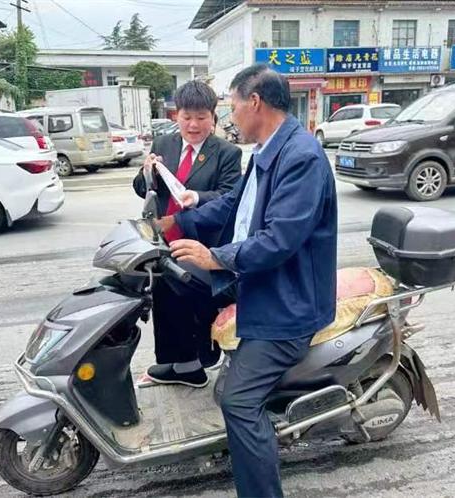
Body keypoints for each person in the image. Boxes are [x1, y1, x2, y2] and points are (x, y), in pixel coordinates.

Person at [156, 64, 337, 498]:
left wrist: (215, 256)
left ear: (254, 102)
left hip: (286, 301)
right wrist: (174, 225)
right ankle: (190, 364)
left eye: (233, 106)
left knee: (237, 401)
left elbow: (279, 240)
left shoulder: (301, 158)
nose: (231, 116)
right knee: (172, 279)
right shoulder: (265, 151)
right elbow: (231, 206)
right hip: (257, 279)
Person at [133, 80, 242, 387]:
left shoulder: (227, 153)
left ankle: (199, 363)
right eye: (187, 117)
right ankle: (178, 365)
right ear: (176, 116)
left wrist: (195, 199)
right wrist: (146, 172)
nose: (193, 125)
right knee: (166, 304)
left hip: (201, 242)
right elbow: (142, 189)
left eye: (201, 117)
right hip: (164, 240)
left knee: (193, 306)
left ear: (213, 117)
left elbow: (229, 197)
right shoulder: (163, 144)